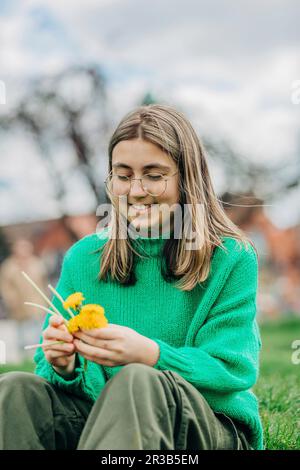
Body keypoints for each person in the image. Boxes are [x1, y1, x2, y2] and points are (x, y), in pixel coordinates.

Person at [0, 104, 263, 450]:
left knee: (137, 381)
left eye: (154, 175)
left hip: (209, 426)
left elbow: (232, 369)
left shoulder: (232, 258)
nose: (136, 191)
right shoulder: (83, 258)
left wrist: (152, 355)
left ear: (187, 178)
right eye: (123, 176)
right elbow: (52, 373)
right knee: (15, 389)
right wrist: (66, 364)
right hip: (110, 421)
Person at [0, 238, 47, 358]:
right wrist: (12, 300)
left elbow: (43, 283)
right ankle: (24, 354)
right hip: (18, 307)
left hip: (36, 304)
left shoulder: (36, 263)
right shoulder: (9, 266)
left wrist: (45, 300)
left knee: (38, 330)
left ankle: (37, 355)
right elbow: (5, 286)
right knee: (21, 332)